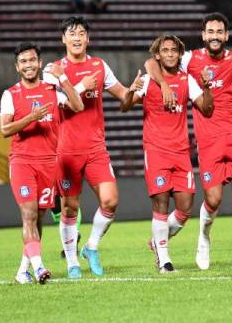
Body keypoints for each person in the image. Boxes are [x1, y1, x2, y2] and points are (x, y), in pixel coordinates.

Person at [145, 12, 232, 270]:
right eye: (210, 32)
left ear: (226, 35)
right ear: (203, 35)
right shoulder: (190, 58)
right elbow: (151, 63)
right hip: (208, 140)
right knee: (212, 200)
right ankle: (203, 239)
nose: (215, 36)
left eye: (219, 32)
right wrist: (164, 85)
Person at [43, 16, 132, 278]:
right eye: (72, 33)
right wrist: (81, 86)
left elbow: (123, 95)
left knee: (110, 201)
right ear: (63, 39)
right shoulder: (53, 69)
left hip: (95, 148)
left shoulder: (99, 65)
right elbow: (55, 102)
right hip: (66, 150)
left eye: (82, 33)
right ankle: (72, 262)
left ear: (88, 38)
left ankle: (91, 247)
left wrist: (136, 91)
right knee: (69, 208)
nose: (77, 37)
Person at [120, 35, 213, 273]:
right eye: (166, 50)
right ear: (158, 55)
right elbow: (125, 106)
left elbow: (207, 109)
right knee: (160, 204)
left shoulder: (186, 80)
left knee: (184, 209)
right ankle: (164, 259)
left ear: (179, 54)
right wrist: (132, 90)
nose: (170, 54)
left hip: (181, 152)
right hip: (156, 150)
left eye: (174, 50)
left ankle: (157, 241)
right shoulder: (150, 80)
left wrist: (206, 86)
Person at [0, 42, 83, 284]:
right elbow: (5, 129)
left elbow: (77, 106)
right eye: (23, 61)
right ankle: (39, 268)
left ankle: (23, 270)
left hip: (49, 163)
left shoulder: (52, 90)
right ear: (17, 67)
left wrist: (63, 78)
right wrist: (31, 117)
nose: (28, 65)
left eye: (32, 60)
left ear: (39, 63)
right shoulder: (11, 94)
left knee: (39, 217)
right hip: (22, 162)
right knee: (28, 214)